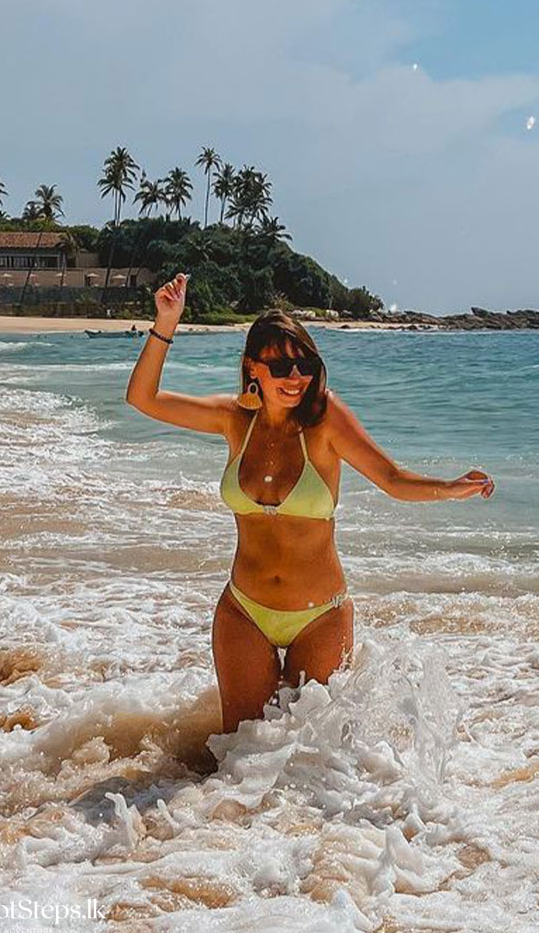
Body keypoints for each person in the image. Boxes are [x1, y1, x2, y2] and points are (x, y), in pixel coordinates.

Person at [125, 274, 494, 734]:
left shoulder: (325, 420)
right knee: (238, 760)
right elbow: (143, 398)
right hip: (244, 611)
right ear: (252, 368)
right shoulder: (233, 421)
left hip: (320, 617)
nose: (295, 378)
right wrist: (166, 323)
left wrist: (452, 486)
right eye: (279, 368)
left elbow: (392, 479)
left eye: (304, 365)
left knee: (312, 761)